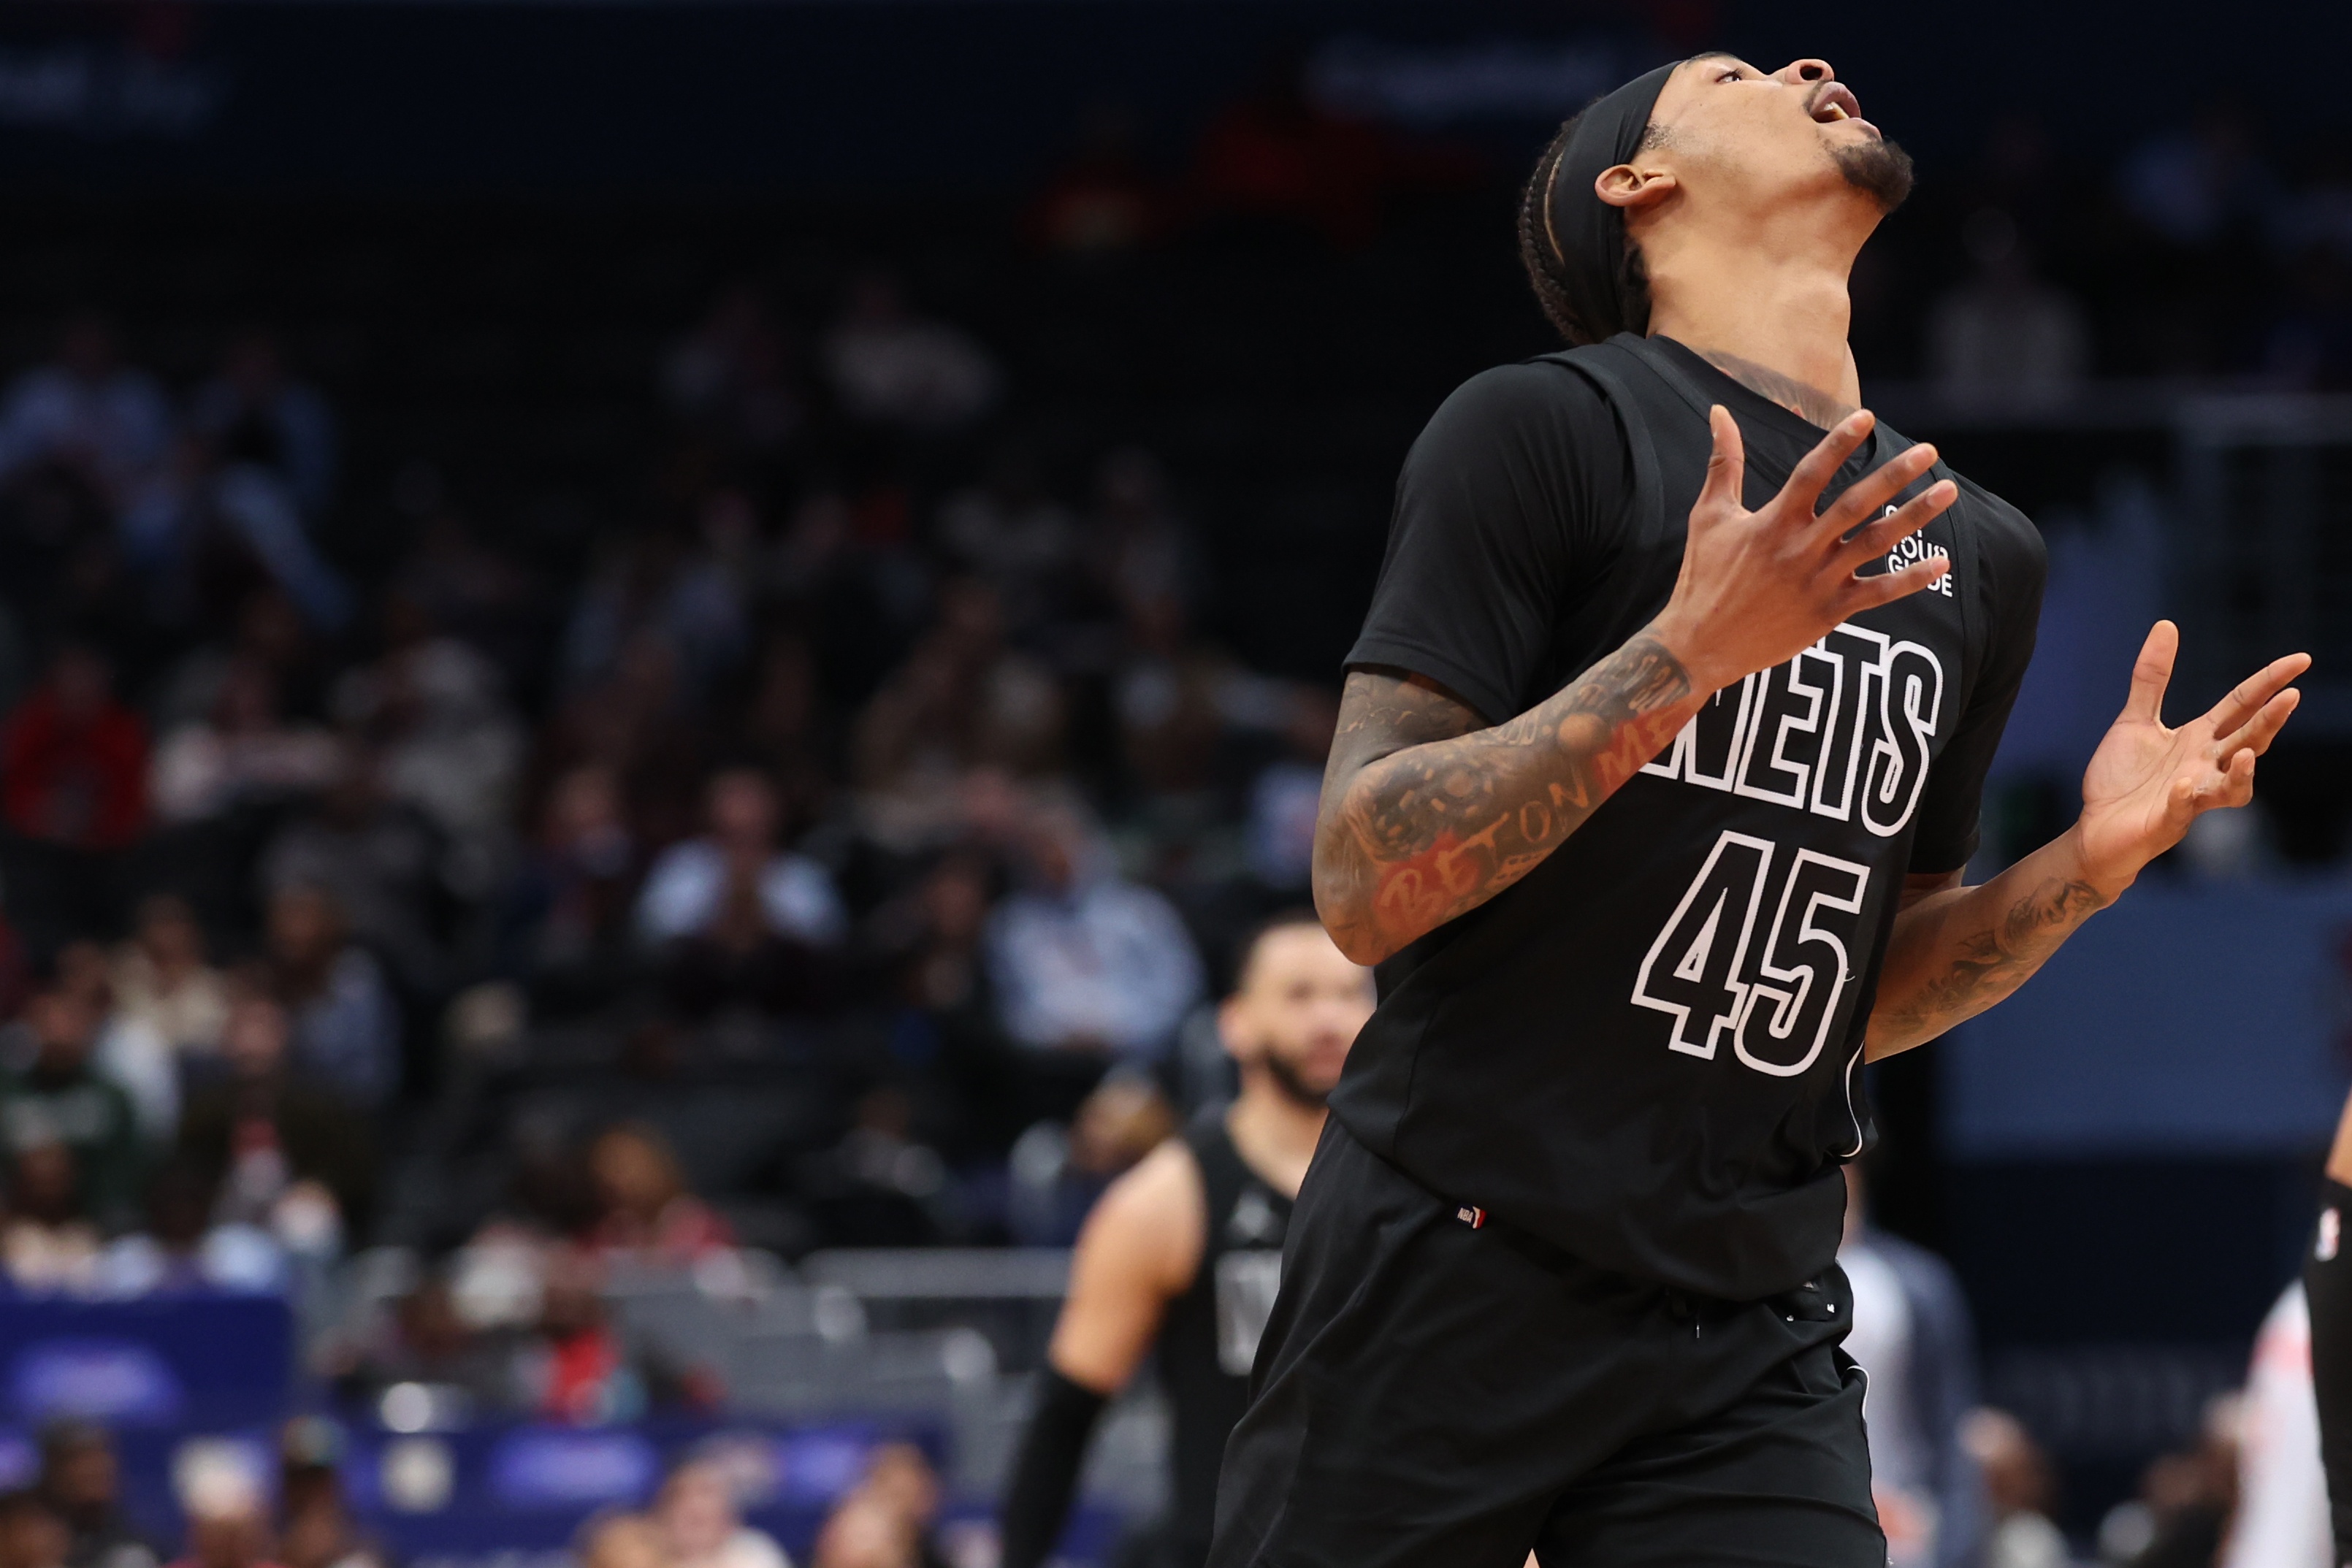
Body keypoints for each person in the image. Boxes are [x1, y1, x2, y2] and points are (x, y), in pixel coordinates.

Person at [1209, 54, 2308, 1568]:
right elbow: (1360, 875)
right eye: (1735, 72)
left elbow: (1865, 992)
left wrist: (2084, 865)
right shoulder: (1541, 429)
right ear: (1636, 183)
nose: (1809, 66)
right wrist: (1684, 657)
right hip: (1452, 1253)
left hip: (1744, 1315)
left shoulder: (1977, 549)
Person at [1000, 914, 1373, 1568]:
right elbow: (1064, 1418)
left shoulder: (1422, 1180)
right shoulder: (1166, 1199)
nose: (1328, 1018)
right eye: (1299, 994)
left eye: (1348, 994)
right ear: (1236, 1021)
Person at [1837, 1162, 1986, 1568]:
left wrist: (1954, 1544)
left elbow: (1950, 1430)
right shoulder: (1756, 1287)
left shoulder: (1916, 1284)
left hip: (1904, 1534)